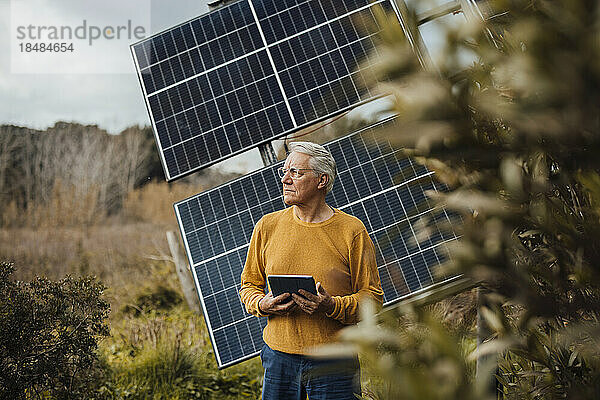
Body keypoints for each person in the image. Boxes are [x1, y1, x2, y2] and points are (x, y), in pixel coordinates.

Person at [239, 141, 384, 400]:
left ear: (321, 180)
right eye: (284, 171)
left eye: (295, 172)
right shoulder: (267, 226)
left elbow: (372, 299)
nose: (285, 179)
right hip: (278, 359)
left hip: (334, 363)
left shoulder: (352, 231)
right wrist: (263, 303)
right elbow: (248, 286)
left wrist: (330, 306)